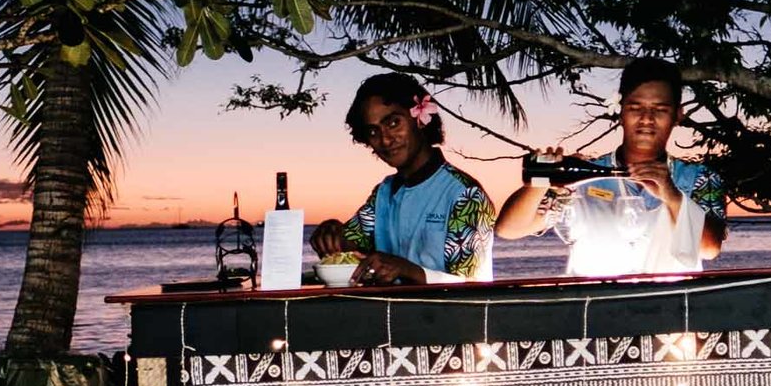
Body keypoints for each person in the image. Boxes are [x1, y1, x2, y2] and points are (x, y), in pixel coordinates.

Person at [496, 57, 727, 276]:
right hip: (596, 310)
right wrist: (543, 181)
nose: (647, 118)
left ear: (678, 115)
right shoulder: (581, 179)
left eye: (660, 109)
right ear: (620, 111)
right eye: (636, 108)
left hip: (668, 310)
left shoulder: (700, 178)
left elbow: (708, 249)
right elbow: (509, 229)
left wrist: (673, 196)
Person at [310, 73, 496, 285]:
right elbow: (349, 245)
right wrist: (332, 231)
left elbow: (472, 287)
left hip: (447, 317)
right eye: (373, 131)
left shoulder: (464, 195)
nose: (385, 139)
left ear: (420, 119)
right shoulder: (383, 193)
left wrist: (406, 270)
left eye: (393, 123)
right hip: (389, 315)